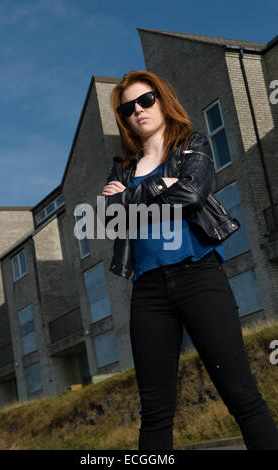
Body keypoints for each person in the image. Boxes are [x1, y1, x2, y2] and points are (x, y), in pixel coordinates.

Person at [100, 70, 278, 450]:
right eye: (128, 108)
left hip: (200, 277)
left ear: (161, 100)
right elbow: (114, 223)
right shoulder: (122, 169)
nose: (138, 111)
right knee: (155, 413)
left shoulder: (192, 145)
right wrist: (156, 187)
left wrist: (131, 199)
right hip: (147, 291)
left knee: (241, 396)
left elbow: (192, 195)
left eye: (145, 100)